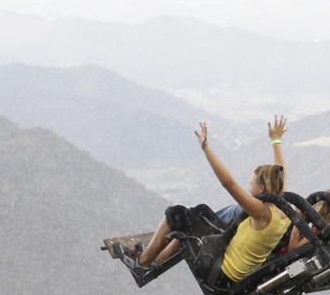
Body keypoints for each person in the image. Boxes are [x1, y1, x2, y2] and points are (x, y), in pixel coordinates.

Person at [116, 117, 291, 281]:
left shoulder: (261, 212)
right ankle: (158, 259)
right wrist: (276, 140)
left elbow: (228, 183)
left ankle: (142, 262)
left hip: (218, 272)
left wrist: (206, 149)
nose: (248, 188)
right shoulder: (282, 209)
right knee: (200, 213)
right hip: (228, 267)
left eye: (251, 183)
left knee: (177, 214)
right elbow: (280, 172)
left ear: (262, 188)